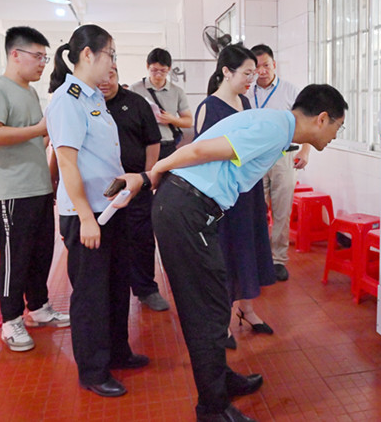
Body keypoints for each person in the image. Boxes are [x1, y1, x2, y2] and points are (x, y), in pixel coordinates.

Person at [118, 83, 348, 422]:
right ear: (322, 118)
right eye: (337, 127)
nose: (335, 136)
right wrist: (153, 171)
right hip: (187, 209)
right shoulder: (275, 128)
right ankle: (212, 409)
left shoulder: (276, 126)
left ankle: (221, 380)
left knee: (214, 305)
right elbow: (200, 150)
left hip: (190, 208)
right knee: (206, 312)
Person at [46, 25, 148, 398]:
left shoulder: (93, 97)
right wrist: (87, 217)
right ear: (88, 54)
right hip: (87, 216)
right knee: (91, 294)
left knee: (117, 285)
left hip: (111, 208)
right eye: (110, 55)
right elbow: (67, 162)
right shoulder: (67, 99)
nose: (113, 63)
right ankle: (92, 370)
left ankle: (118, 351)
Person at [0, 26, 69, 353]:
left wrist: (48, 136)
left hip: (37, 185)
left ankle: (39, 308)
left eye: (45, 57)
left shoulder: (29, 93)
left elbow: (33, 139)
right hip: (11, 189)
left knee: (41, 251)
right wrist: (40, 129)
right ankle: (11, 319)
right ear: (15, 54)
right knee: (15, 256)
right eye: (38, 56)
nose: (43, 63)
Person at [193, 46, 275, 350]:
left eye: (255, 73)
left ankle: (247, 308)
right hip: (224, 193)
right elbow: (201, 155)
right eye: (247, 73)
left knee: (247, 246)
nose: (252, 79)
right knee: (225, 252)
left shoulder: (245, 102)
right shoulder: (208, 107)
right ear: (226, 72)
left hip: (248, 189)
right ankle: (224, 319)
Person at [98, 68, 169, 312]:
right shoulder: (87, 105)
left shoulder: (137, 103)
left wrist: (147, 177)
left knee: (141, 239)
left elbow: (153, 142)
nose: (105, 82)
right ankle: (106, 292)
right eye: (101, 76)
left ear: (118, 75)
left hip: (135, 186)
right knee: (104, 240)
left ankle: (146, 289)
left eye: (111, 76)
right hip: (100, 189)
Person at [247, 44, 310, 282]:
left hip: (284, 156)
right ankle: (258, 257)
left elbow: (306, 123)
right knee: (256, 210)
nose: (262, 71)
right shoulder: (246, 92)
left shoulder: (290, 91)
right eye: (257, 67)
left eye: (266, 65)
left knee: (282, 210)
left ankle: (278, 259)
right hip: (254, 158)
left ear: (274, 65)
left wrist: (305, 151)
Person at [130, 48, 192, 159]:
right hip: (143, 144)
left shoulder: (177, 91)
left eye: (163, 71)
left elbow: (188, 121)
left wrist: (172, 119)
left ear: (169, 68)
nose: (158, 75)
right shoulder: (135, 89)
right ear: (147, 66)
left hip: (167, 144)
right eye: (154, 70)